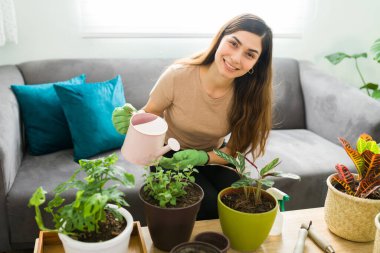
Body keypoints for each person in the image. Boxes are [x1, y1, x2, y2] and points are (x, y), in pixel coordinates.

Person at [113, 13, 273, 219]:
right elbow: (150, 112)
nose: (236, 58)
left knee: (244, 204)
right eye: (233, 44)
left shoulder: (250, 96)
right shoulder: (177, 75)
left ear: (257, 63)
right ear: (220, 39)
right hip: (170, 156)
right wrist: (132, 118)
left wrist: (203, 157)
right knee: (207, 207)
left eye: (249, 55)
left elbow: (232, 150)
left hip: (214, 157)